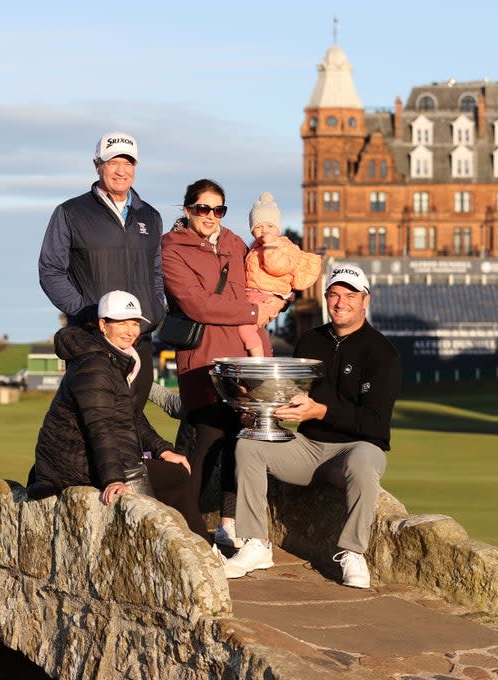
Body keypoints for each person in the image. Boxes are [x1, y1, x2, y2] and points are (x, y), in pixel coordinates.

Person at [225, 264, 402, 587]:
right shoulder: (310, 341)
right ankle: (256, 543)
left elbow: (375, 425)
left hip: (353, 450)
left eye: (350, 295)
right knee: (248, 444)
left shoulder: (381, 352)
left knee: (364, 461)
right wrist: (260, 407)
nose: (340, 302)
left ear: (366, 301)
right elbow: (293, 398)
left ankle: (352, 553)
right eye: (333, 294)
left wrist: (321, 412)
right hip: (307, 449)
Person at [161, 179, 285, 545]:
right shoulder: (172, 249)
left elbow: (258, 283)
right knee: (202, 445)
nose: (211, 216)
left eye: (218, 210)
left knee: (239, 443)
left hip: (245, 359)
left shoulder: (233, 242)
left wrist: (279, 300)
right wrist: (252, 310)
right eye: (203, 208)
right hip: (204, 360)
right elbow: (196, 304)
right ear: (187, 210)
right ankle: (187, 530)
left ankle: (229, 525)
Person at [26, 291, 208, 539]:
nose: (130, 330)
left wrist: (163, 449)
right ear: (103, 325)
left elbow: (128, 416)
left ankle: (195, 548)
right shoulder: (96, 366)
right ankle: (202, 550)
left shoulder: (115, 358)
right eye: (121, 323)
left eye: (134, 323)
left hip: (85, 456)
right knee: (175, 477)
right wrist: (114, 479)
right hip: (73, 464)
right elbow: (100, 427)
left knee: (174, 471)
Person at [38, 131, 164, 414]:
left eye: (128, 163)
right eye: (113, 162)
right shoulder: (70, 212)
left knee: (132, 425)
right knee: (95, 427)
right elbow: (51, 270)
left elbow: (156, 271)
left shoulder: (150, 216)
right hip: (93, 340)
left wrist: (156, 310)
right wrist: (87, 315)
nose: (122, 170)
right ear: (97, 165)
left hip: (139, 337)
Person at [238, 193, 322, 357]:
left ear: (278, 228)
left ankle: (257, 359)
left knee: (244, 326)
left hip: (269, 296)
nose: (264, 231)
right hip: (257, 295)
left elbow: (277, 267)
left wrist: (270, 247)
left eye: (270, 226)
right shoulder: (255, 248)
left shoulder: (282, 246)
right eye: (258, 227)